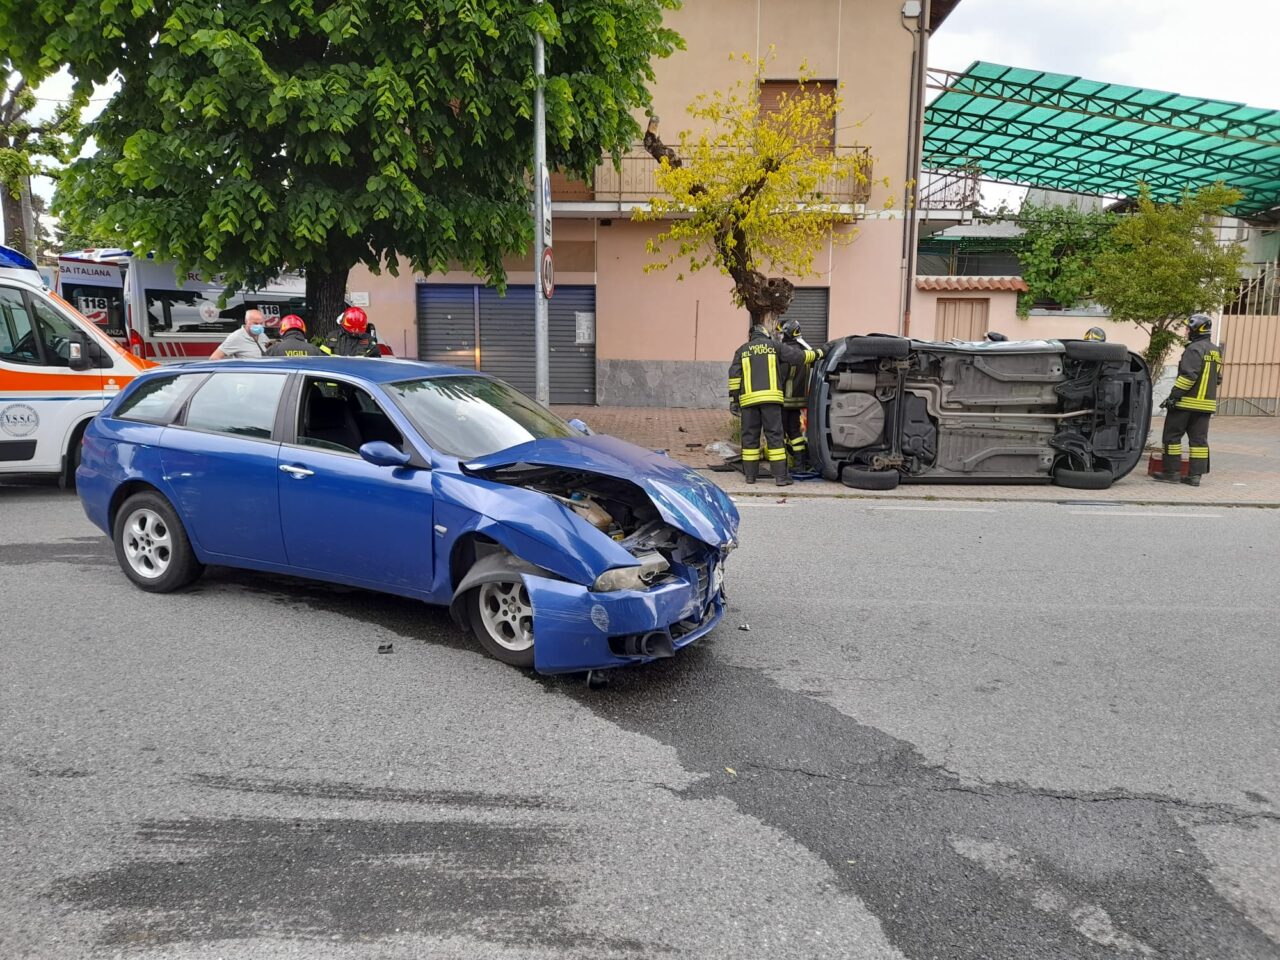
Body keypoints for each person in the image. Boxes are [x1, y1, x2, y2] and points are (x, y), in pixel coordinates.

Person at [728, 321, 817, 486]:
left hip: (748, 402)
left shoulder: (742, 350)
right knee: (775, 437)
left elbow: (734, 376)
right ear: (765, 333)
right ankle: (781, 478)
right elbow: (799, 357)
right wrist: (819, 353)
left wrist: (734, 400)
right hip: (771, 401)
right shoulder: (774, 346)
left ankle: (750, 477)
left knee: (749, 440)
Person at [1153, 314, 1222, 488]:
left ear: (1196, 329)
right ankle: (1194, 476)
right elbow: (1218, 379)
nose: (1186, 332)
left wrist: (1173, 396)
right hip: (1206, 405)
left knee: (1172, 437)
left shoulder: (1193, 349)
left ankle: (1171, 472)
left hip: (1186, 403)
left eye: (1188, 328)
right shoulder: (1215, 351)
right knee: (1199, 442)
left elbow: (1188, 376)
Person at [776, 318, 821, 474]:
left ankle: (782, 465)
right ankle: (800, 463)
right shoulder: (806, 348)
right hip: (798, 400)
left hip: (784, 399)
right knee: (794, 432)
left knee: (779, 432)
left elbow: (781, 375)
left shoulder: (787, 351)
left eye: (782, 333)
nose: (780, 336)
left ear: (788, 333)